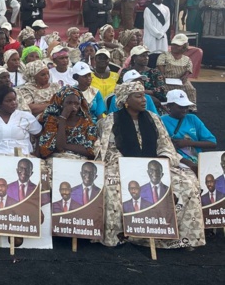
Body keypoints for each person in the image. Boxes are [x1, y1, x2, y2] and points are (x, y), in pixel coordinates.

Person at [96, 81, 205, 249]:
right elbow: (108, 149)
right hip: (123, 166)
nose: (144, 99)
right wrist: (128, 164)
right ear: (126, 99)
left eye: (144, 95)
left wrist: (164, 159)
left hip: (155, 166)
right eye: (138, 96)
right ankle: (120, 235)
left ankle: (181, 238)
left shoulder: (153, 118)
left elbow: (165, 144)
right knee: (112, 187)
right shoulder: (111, 120)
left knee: (187, 185)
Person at [0, 85, 41, 158]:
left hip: (23, 158)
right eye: (9, 101)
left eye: (14, 99)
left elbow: (39, 135)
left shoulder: (26, 117)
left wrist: (36, 153)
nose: (14, 103)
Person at [38, 86, 98, 162]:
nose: (73, 107)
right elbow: (48, 149)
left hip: (80, 161)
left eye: (76, 103)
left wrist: (65, 146)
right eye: (69, 103)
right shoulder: (52, 121)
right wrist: (63, 118)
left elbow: (90, 151)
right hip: (57, 160)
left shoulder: (87, 122)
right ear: (61, 103)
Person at [160, 89, 216, 170]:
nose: (184, 110)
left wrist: (189, 143)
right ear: (169, 106)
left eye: (186, 107)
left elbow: (212, 143)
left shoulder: (192, 118)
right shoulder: (161, 121)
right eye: (180, 107)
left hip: (198, 161)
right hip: (176, 163)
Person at [157, 33, 197, 108]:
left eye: (178, 45)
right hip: (165, 78)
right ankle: (166, 107)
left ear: (184, 47)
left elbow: (189, 69)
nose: (174, 47)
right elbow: (160, 64)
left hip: (180, 80)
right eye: (173, 44)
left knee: (190, 89)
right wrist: (162, 74)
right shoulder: (165, 55)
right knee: (164, 89)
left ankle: (191, 107)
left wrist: (185, 76)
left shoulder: (186, 59)